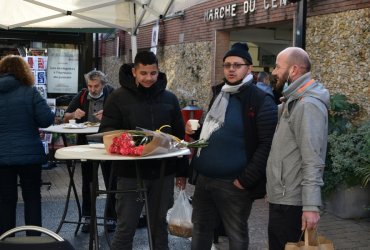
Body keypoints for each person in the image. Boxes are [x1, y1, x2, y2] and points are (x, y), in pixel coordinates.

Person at [187, 42, 278, 250]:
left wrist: (245, 180)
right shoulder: (220, 93)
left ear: (249, 68)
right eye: (227, 65)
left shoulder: (261, 99)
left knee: (236, 235)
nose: (231, 69)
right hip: (205, 179)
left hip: (234, 185)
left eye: (237, 65)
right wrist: (197, 131)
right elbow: (212, 132)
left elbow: (267, 144)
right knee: (200, 229)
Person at [99, 51, 188, 250]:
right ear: (134, 72)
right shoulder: (117, 97)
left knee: (159, 227)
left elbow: (180, 138)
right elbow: (106, 132)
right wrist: (134, 142)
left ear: (158, 72)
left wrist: (182, 171)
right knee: (126, 227)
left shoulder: (170, 98)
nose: (149, 78)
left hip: (163, 173)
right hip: (130, 173)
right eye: (144, 73)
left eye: (153, 73)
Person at [266, 47, 330, 250]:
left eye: (277, 66)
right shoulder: (293, 101)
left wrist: (311, 206)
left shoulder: (307, 104)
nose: (274, 71)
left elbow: (313, 158)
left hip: (292, 202)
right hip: (283, 197)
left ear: (293, 70)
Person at [0, 55, 54, 235]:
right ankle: (33, 239)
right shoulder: (30, 92)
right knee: (32, 197)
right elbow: (46, 119)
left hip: (2, 156)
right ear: (24, 71)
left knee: (5, 200)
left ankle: (6, 241)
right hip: (30, 155)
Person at [63, 70, 116, 233]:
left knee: (111, 181)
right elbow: (65, 116)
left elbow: (124, 116)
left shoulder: (113, 94)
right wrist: (74, 114)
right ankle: (88, 217)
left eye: (96, 86)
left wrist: (108, 115)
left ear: (103, 84)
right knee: (88, 182)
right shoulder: (82, 95)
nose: (92, 89)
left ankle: (111, 218)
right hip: (86, 143)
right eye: (90, 86)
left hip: (108, 144)